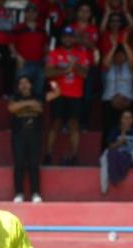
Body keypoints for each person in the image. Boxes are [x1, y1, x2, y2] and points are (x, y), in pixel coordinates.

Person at [44, 27, 89, 166]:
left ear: (74, 39)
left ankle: (74, 156)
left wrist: (74, 65)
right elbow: (47, 73)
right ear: (61, 38)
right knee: (55, 124)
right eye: (65, 36)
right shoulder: (54, 53)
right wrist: (65, 70)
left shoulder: (82, 54)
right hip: (58, 94)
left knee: (74, 125)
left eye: (70, 36)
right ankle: (48, 155)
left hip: (76, 94)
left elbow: (85, 74)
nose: (67, 39)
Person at [10, 77, 55, 203]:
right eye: (21, 83)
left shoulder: (38, 95)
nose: (23, 85)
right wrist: (30, 104)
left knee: (34, 164)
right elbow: (12, 108)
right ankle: (19, 193)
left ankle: (36, 193)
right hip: (18, 134)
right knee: (19, 164)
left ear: (31, 84)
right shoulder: (15, 97)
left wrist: (22, 106)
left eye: (26, 82)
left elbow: (40, 108)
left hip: (35, 134)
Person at [100, 110, 133, 195]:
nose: (127, 120)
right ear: (121, 120)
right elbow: (110, 146)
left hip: (131, 157)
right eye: (124, 118)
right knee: (106, 158)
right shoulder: (115, 130)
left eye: (129, 118)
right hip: (117, 155)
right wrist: (120, 141)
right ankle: (103, 188)